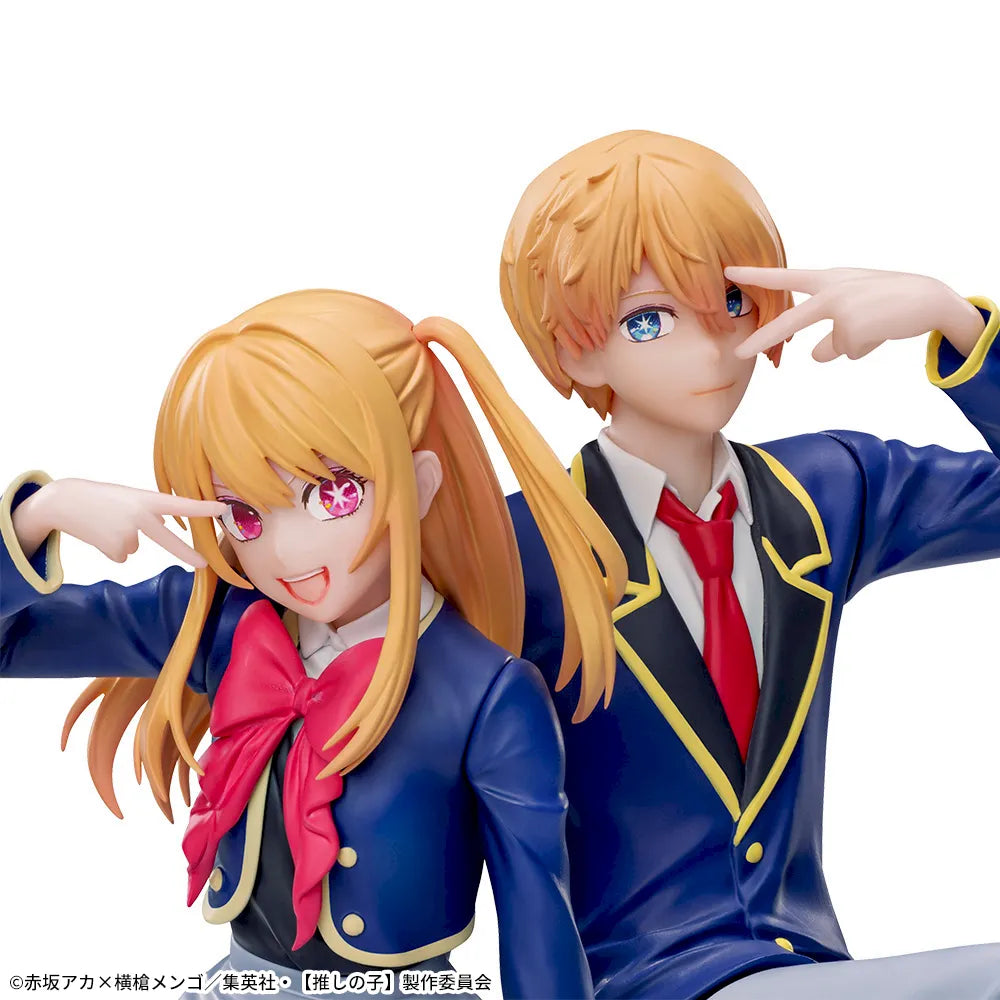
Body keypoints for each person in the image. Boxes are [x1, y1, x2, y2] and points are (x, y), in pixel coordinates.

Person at [1, 289, 626, 999]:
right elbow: (11, 642)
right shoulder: (219, 622)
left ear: (421, 484)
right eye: (244, 513)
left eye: (332, 495)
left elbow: (538, 920)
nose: (286, 549)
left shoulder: (486, 692)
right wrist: (40, 514)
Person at [500, 130, 1000, 999]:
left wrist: (953, 320)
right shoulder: (523, 548)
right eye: (649, 320)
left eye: (732, 301)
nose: (712, 347)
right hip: (638, 978)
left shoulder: (827, 490)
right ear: (576, 349)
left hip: (811, 966)